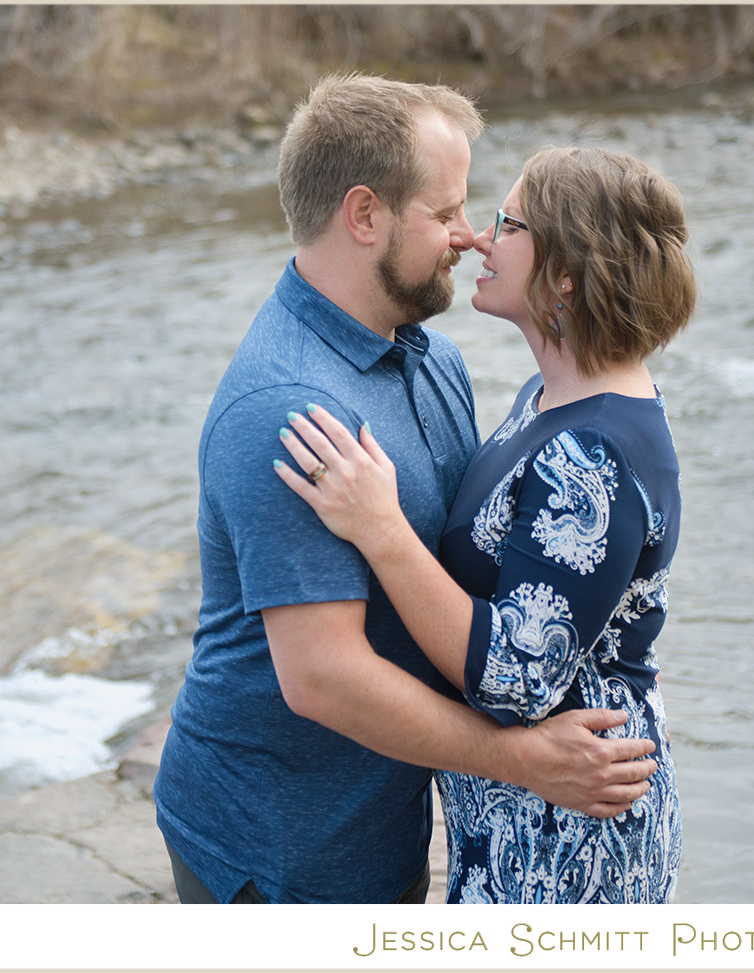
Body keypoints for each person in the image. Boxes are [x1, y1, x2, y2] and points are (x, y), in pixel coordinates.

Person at [153, 73, 659, 905]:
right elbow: (321, 676)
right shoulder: (291, 410)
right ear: (364, 216)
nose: (470, 236)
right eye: (445, 211)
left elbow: (490, 560)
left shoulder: (429, 356)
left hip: (382, 824)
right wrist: (516, 758)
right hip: (279, 853)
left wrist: (603, 646)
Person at [274, 145, 694, 902]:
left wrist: (381, 527)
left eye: (509, 223)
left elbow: (515, 678)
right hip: (524, 812)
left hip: (569, 829)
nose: (478, 239)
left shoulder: (590, 451)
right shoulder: (555, 392)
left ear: (565, 272)